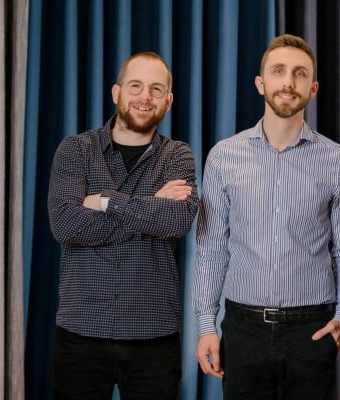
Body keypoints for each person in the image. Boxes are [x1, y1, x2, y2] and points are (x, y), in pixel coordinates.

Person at [192, 34, 340, 399]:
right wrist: (207, 325)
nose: (288, 82)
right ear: (260, 83)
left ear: (313, 88)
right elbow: (211, 249)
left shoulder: (338, 161)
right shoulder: (223, 157)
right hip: (242, 331)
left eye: (300, 74)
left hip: (313, 332)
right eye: (278, 71)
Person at [47, 51, 199, 399]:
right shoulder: (75, 150)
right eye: (136, 86)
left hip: (154, 340)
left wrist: (104, 201)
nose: (145, 96)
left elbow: (177, 220)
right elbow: (66, 224)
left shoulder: (178, 155)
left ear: (169, 101)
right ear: (117, 93)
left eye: (156, 89)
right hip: (80, 335)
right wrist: (151, 209)